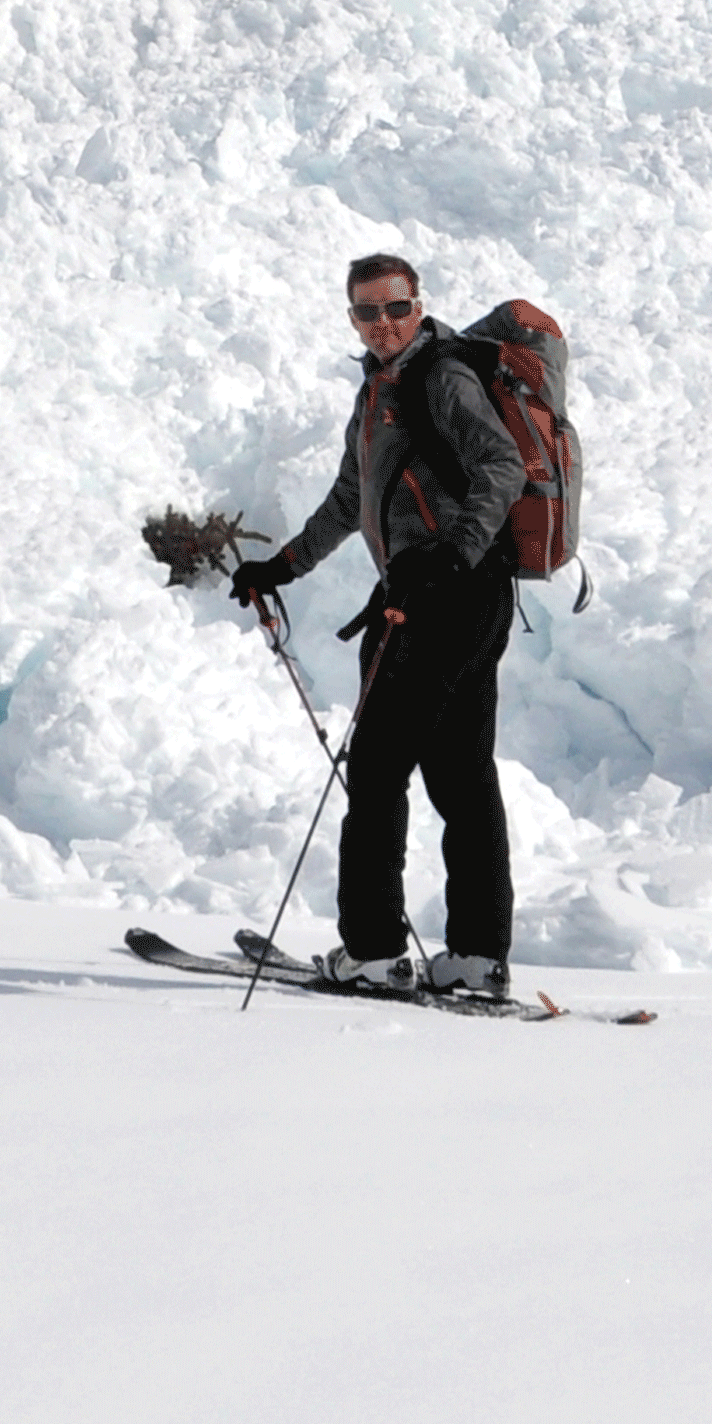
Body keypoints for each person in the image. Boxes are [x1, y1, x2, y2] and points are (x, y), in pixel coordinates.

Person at [229, 250, 525, 996]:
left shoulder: (440, 376)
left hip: (445, 593)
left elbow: (503, 464)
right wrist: (282, 566)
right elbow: (346, 498)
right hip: (460, 594)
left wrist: (449, 556)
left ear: (418, 305)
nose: (383, 322)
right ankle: (473, 956)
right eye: (367, 310)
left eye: (395, 307)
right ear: (352, 315)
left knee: (376, 770)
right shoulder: (378, 391)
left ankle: (371, 952)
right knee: (460, 777)